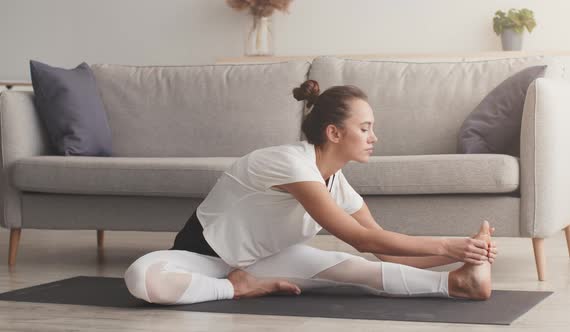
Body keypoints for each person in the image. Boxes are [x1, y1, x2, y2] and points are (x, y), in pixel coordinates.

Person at [123, 80, 498, 305]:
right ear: (334, 133)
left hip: (264, 260)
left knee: (361, 270)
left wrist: (465, 254)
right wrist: (450, 246)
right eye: (365, 128)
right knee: (143, 278)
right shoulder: (290, 164)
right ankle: (231, 289)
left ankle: (459, 283)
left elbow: (380, 249)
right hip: (202, 258)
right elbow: (356, 236)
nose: (374, 138)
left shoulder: (337, 182)